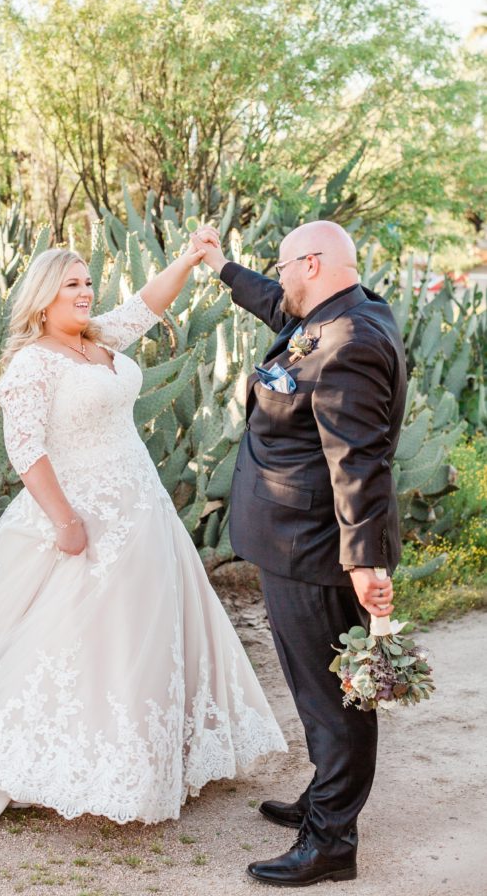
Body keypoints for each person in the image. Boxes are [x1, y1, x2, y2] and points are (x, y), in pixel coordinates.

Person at [0, 244, 287, 827]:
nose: (84, 294)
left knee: (144, 633)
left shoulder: (99, 336)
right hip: (82, 512)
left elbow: (146, 305)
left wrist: (188, 259)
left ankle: (150, 759)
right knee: (73, 638)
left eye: (86, 283)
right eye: (70, 286)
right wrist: (65, 521)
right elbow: (26, 450)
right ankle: (47, 760)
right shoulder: (33, 362)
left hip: (141, 507)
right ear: (42, 297)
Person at [192, 220, 407, 886]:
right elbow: (279, 311)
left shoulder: (349, 340)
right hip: (291, 539)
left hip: (316, 549)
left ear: (309, 264)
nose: (277, 278)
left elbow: (358, 459)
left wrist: (363, 560)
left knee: (331, 700)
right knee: (318, 690)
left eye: (281, 267)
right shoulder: (336, 312)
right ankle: (322, 800)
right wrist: (224, 268)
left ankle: (330, 842)